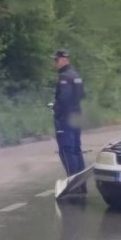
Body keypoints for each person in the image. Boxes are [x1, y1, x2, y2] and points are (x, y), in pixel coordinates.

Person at [53, 49, 86, 187]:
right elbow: (82, 95)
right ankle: (81, 183)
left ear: (64, 60)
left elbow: (64, 99)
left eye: (56, 60)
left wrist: (57, 111)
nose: (55, 63)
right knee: (76, 148)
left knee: (67, 150)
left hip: (66, 118)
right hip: (77, 115)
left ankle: (73, 183)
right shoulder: (76, 75)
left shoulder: (65, 77)